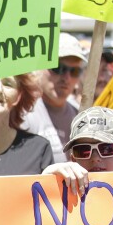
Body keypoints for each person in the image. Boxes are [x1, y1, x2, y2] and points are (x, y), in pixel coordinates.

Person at [42, 106, 113, 199]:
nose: (95, 158)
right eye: (83, 150)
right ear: (74, 159)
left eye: (107, 149)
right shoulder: (63, 195)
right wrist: (46, 181)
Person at [23, 32, 87, 162]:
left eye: (74, 71)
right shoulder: (23, 113)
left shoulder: (80, 116)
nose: (66, 78)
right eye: (58, 68)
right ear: (39, 67)